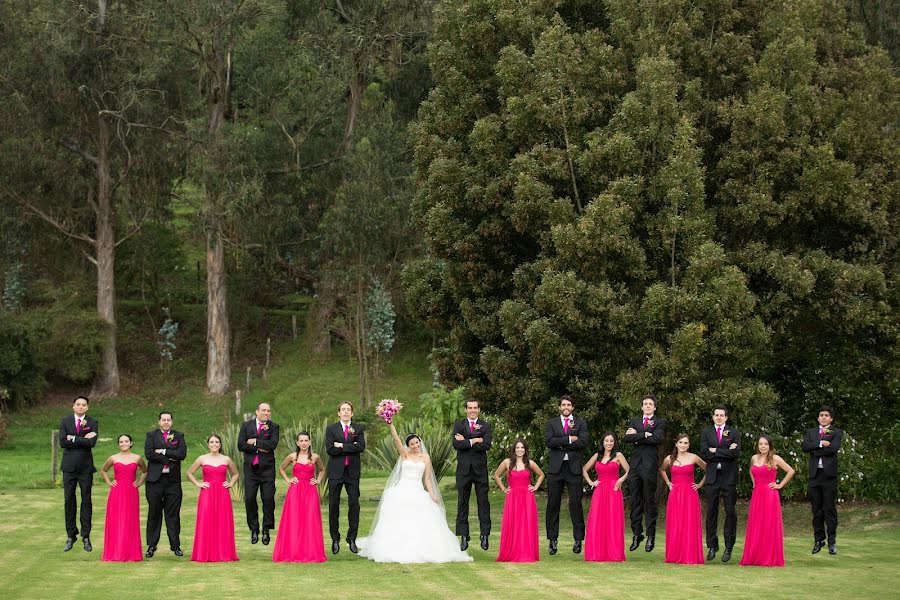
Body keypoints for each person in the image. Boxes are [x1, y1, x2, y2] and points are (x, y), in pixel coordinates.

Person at [357, 420, 473, 563]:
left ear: (420, 443)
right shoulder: (405, 455)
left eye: (417, 443)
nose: (416, 446)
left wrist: (431, 494)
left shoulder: (425, 458)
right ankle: (395, 548)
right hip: (401, 490)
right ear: (408, 446)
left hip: (417, 491)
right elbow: (396, 438)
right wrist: (390, 423)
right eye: (412, 444)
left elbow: (428, 479)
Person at [740, 436, 795, 567]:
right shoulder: (754, 458)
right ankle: (754, 556)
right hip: (757, 494)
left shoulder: (775, 458)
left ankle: (768, 557)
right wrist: (754, 483)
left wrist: (780, 485)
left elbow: (791, 471)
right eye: (760, 444)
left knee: (769, 524)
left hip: (770, 495)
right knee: (756, 524)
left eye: (765, 444)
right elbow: (751, 471)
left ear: (770, 446)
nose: (763, 446)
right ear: (757, 445)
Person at [544, 395, 589, 555]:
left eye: (569, 404)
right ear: (559, 407)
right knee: (553, 504)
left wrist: (560, 441)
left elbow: (583, 442)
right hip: (556, 468)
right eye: (563, 404)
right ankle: (552, 540)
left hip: (574, 468)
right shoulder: (551, 423)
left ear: (572, 407)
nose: (566, 407)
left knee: (575, 504)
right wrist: (570, 439)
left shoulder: (580, 423)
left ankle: (578, 540)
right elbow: (549, 442)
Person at [272, 432, 326, 563]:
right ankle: (293, 551)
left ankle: (310, 551)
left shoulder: (315, 457)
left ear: (310, 442)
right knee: (294, 519)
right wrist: (288, 480)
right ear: (297, 443)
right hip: (295, 491)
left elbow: (323, 470)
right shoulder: (292, 456)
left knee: (310, 519)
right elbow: (281, 468)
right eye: (301, 440)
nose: (304, 443)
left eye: (306, 440)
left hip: (310, 490)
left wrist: (318, 481)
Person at [186, 434, 240, 562]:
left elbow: (236, 473)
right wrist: (198, 483)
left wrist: (231, 483)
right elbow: (189, 473)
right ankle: (205, 553)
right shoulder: (202, 458)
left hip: (222, 493)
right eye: (212, 442)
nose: (214, 444)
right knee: (206, 520)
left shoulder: (226, 459)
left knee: (222, 521)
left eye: (216, 442)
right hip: (207, 492)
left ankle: (223, 552)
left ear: (220, 445)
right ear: (208, 444)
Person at [623, 394, 666, 552]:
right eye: (645, 404)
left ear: (654, 407)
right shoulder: (635, 421)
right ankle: (636, 534)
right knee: (635, 500)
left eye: (650, 404)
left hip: (649, 465)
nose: (648, 406)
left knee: (649, 500)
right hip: (635, 465)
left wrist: (637, 436)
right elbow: (626, 438)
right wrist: (644, 435)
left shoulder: (660, 422)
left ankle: (650, 535)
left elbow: (657, 439)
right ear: (641, 407)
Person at [699, 405, 740, 562]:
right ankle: (711, 545)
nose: (719, 417)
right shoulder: (706, 432)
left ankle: (728, 546)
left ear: (726, 417)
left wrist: (715, 451)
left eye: (722, 415)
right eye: (716, 415)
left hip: (729, 478)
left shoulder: (734, 432)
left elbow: (735, 453)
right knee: (711, 512)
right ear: (713, 417)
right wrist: (725, 451)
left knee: (730, 512)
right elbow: (704, 453)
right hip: (712, 478)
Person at [144, 411, 187, 557]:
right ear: (159, 422)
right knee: (154, 514)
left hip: (172, 482)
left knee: (173, 515)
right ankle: (151, 545)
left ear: (172, 422)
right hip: (154, 481)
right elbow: (149, 454)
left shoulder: (179, 436)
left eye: (168, 420)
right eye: (163, 420)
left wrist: (162, 451)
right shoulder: (151, 436)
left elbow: (181, 454)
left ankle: (175, 546)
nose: (166, 422)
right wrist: (168, 458)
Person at [493, 438, 544, 562]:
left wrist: (535, 487)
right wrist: (504, 488)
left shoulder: (530, 463)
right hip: (513, 498)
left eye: (522, 447)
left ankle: (526, 552)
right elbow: (496, 475)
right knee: (513, 524)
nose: (520, 450)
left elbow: (541, 474)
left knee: (526, 524)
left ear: (525, 449)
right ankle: (512, 551)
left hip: (527, 498)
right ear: (514, 449)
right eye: (517, 447)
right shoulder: (507, 462)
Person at [801, 405, 843, 555]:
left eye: (826, 415)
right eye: (821, 415)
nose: (823, 417)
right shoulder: (811, 432)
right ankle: (819, 540)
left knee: (829, 509)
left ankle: (832, 541)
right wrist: (819, 444)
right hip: (814, 475)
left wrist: (815, 449)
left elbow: (833, 449)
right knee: (816, 509)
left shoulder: (836, 432)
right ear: (818, 417)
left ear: (831, 418)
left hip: (829, 476)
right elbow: (805, 447)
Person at [325, 401, 366, 554]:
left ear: (352, 413)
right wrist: (351, 447)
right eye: (343, 410)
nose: (346, 412)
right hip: (336, 473)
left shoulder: (358, 428)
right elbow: (330, 450)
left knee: (354, 505)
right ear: (338, 413)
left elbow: (360, 447)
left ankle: (352, 538)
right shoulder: (331, 429)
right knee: (333, 505)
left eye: (348, 410)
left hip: (353, 473)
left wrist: (341, 446)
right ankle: (335, 539)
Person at [59, 395, 99, 552]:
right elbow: (63, 442)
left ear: (87, 407)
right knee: (69, 500)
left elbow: (92, 443)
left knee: (86, 500)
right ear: (73, 406)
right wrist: (81, 438)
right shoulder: (65, 421)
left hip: (85, 468)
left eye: (83, 405)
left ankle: (86, 535)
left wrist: (73, 438)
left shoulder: (92, 422)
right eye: (78, 404)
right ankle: (70, 535)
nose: (81, 406)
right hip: (68, 467)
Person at [582, 432, 629, 562]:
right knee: (598, 519)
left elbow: (630, 470)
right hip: (600, 491)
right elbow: (584, 469)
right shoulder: (597, 456)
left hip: (614, 490)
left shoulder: (618, 455)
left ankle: (613, 553)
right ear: (602, 442)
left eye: (611, 441)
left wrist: (620, 480)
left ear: (614, 443)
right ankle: (597, 552)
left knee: (613, 520)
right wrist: (591, 482)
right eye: (606, 441)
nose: (609, 443)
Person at [237, 402, 280, 545]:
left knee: (268, 498)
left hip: (267, 469)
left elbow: (272, 445)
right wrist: (261, 446)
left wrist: (255, 442)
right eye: (263, 410)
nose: (266, 413)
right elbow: (241, 445)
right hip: (250, 470)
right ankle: (254, 529)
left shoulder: (274, 427)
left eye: (268, 411)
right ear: (257, 411)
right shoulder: (246, 426)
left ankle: (266, 529)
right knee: (249, 498)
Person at [660, 434, 706, 565]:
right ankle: (675, 554)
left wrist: (700, 484)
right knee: (676, 523)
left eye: (686, 443)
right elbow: (662, 470)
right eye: (681, 442)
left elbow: (709, 469)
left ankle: (690, 555)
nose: (683, 445)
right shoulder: (669, 459)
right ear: (676, 444)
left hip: (690, 495)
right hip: (675, 494)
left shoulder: (694, 457)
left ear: (689, 445)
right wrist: (668, 483)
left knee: (689, 523)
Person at [100, 434, 147, 561]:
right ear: (118, 444)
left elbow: (145, 471)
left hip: (131, 492)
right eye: (121, 442)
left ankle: (131, 553)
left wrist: (140, 482)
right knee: (116, 520)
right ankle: (115, 552)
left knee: (130, 520)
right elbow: (103, 470)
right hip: (117, 492)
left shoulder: (137, 458)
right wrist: (109, 482)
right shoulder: (113, 458)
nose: (123, 443)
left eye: (126, 441)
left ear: (131, 443)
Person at [452, 398, 492, 551]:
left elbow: (486, 445)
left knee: (483, 502)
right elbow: (456, 444)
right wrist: (475, 440)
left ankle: (484, 535)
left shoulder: (485, 425)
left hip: (480, 470)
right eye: (470, 408)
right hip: (463, 471)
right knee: (463, 502)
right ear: (466, 410)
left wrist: (466, 441)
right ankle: (463, 535)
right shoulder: (458, 425)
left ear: (479, 409)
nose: (472, 410)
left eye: (475, 407)